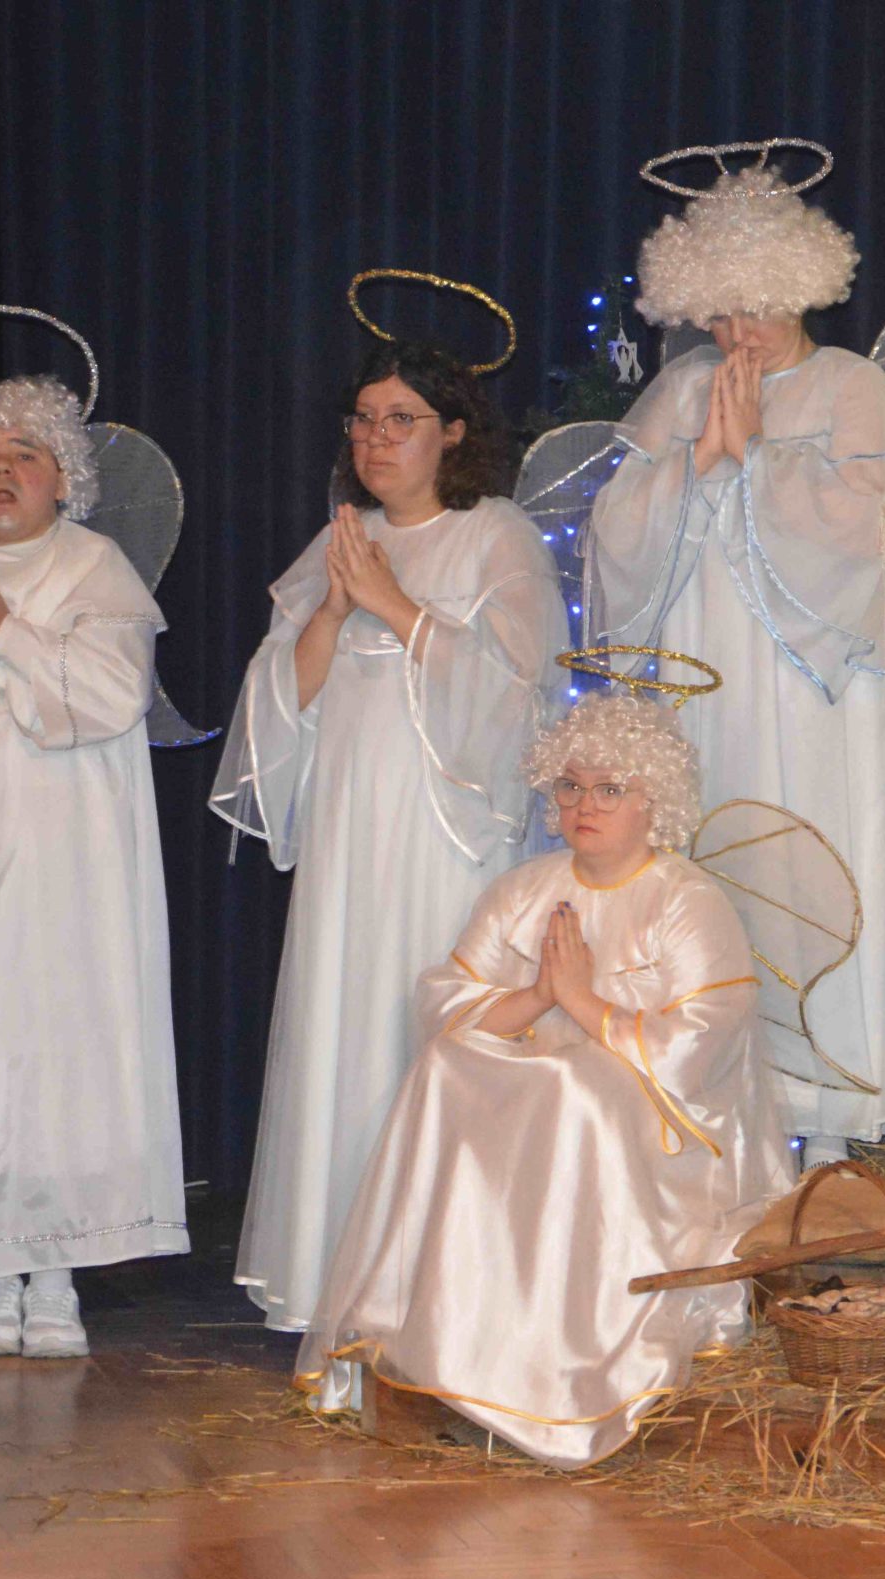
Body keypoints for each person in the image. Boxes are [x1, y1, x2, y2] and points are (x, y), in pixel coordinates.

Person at [297, 691, 793, 1465]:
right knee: (447, 1067)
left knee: (574, 1089)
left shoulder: (687, 902)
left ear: (653, 801)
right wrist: (537, 995)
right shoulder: (525, 889)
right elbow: (444, 1004)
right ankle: (442, 1332)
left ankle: (565, 1367)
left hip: (662, 1122)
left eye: (609, 789)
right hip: (541, 1088)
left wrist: (584, 1003)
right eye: (569, 786)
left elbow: (702, 1044)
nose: (583, 805)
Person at [210, 340, 567, 1332]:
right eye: (363, 420)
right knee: (344, 1026)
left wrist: (395, 607)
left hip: (445, 834)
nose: (375, 439)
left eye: (400, 419)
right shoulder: (344, 538)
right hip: (347, 831)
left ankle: (441, 1296)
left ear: (453, 431)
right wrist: (332, 612)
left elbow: (517, 694)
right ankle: (337, 1281)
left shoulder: (495, 535)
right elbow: (277, 702)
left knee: (430, 1027)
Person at [586, 146, 885, 1165]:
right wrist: (700, 453)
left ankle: (827, 1108)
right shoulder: (683, 390)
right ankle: (709, 1086)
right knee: (712, 853)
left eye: (755, 309)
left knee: (812, 855)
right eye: (720, 313)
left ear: (801, 286)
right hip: (708, 669)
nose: (736, 334)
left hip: (816, 687)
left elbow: (862, 539)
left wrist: (758, 458)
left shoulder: (849, 385)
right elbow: (614, 533)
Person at [0, 375, 186, 1357]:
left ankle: (57, 1272)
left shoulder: (95, 566)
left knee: (68, 1033)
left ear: (65, 478)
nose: (1, 469)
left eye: (25, 453)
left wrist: (2, 622)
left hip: (74, 848)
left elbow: (108, 694)